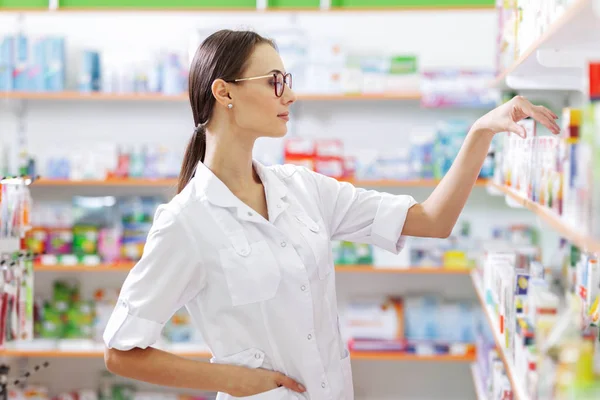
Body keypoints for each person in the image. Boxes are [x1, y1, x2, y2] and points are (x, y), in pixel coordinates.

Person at [102, 29, 560, 400]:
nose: (291, 94)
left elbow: (433, 221)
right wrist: (229, 379)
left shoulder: (302, 188)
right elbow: (122, 352)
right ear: (224, 93)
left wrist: (480, 131)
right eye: (275, 81)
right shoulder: (186, 221)